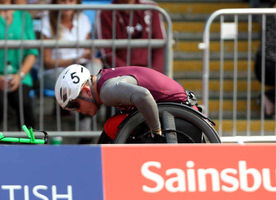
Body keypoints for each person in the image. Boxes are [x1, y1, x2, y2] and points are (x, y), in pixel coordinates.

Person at [54, 64, 201, 143]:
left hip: (179, 115)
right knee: (114, 125)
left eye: (75, 105)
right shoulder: (103, 81)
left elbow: (143, 95)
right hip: (178, 107)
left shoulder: (106, 91)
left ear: (86, 91)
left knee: (112, 127)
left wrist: (156, 133)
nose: (77, 111)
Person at [0, 0, 38, 134]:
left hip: (19, 75)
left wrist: (19, 75)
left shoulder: (24, 16)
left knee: (24, 103)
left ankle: (31, 147)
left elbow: (32, 53)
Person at [41, 0, 102, 131]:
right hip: (55, 73)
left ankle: (85, 125)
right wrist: (74, 60)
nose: (67, 3)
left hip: (80, 70)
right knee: (80, 84)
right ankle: (86, 128)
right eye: (63, 0)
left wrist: (93, 58)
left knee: (96, 69)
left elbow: (86, 52)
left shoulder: (83, 19)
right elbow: (47, 62)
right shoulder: (46, 21)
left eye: (71, 0)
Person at [95, 0, 165, 73]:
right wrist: (130, 73)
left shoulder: (151, 8)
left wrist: (153, 73)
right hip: (119, 74)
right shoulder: (104, 12)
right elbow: (106, 52)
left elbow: (160, 47)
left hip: (150, 72)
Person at [254, 2, 276, 118]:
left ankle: (269, 97)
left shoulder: (265, 13)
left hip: (265, 61)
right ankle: (270, 98)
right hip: (267, 62)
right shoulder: (266, 14)